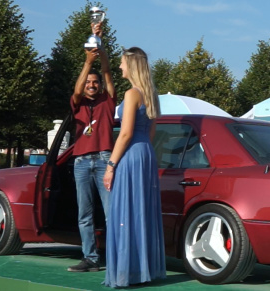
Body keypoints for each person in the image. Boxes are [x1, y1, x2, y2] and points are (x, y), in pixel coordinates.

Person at [102, 47, 166, 288]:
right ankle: (142, 269)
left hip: (130, 154)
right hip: (145, 153)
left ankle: (126, 272)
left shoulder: (131, 94)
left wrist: (110, 165)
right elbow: (151, 131)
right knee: (142, 210)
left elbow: (125, 132)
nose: (120, 68)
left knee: (125, 210)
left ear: (131, 65)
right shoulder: (151, 93)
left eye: (122, 64)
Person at [67, 21, 116, 273]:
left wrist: (100, 44)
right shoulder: (77, 104)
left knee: (111, 214)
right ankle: (91, 259)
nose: (92, 85)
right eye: (89, 82)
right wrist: (87, 61)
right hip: (82, 163)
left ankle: (117, 257)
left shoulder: (108, 101)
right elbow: (76, 90)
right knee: (84, 214)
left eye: (95, 82)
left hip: (104, 159)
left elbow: (107, 72)